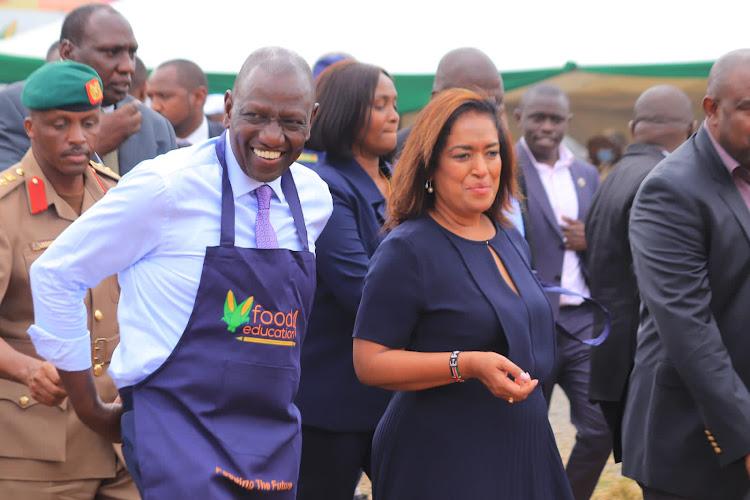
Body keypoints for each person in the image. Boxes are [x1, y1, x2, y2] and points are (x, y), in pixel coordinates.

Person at [27, 47, 333, 499]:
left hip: (271, 436)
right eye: (255, 115)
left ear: (313, 116)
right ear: (228, 108)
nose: (272, 136)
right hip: (177, 428)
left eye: (291, 122)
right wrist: (88, 405)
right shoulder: (166, 187)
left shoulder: (314, 199)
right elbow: (56, 273)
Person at [352, 88, 573, 499]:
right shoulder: (408, 249)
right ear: (430, 166)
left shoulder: (509, 237)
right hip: (442, 460)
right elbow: (369, 363)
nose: (481, 169)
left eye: (491, 153)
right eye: (462, 155)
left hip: (522, 445)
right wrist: (465, 363)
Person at [0, 61, 135, 499]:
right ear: (30, 127)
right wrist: (26, 369)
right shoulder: (6, 209)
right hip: (36, 444)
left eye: (89, 123)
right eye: (61, 124)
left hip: (120, 439)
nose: (78, 137)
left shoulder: (119, 198)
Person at [622, 49, 750, 500]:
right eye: (749, 108)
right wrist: (745, 434)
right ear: (711, 110)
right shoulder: (669, 190)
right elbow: (688, 328)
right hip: (692, 439)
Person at [295, 61, 398, 500]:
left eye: (394, 104)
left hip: (392, 396)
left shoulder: (399, 180)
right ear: (347, 111)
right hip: (334, 399)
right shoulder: (327, 186)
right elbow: (360, 287)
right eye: (380, 105)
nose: (394, 114)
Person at [586, 85, 695, 461]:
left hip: (610, 352)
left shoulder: (613, 176)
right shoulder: (665, 180)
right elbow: (663, 288)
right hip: (646, 364)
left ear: (633, 127)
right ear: (693, 129)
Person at [514, 83, 609, 500]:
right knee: (523, 433)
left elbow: (606, 239)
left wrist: (593, 239)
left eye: (555, 119)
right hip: (529, 319)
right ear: (520, 117)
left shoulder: (586, 174)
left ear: (567, 122)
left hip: (582, 321)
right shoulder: (502, 166)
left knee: (601, 429)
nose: (547, 127)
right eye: (538, 117)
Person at [0, 3, 175, 173]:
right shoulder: (16, 106)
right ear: (67, 53)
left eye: (131, 53)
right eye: (111, 52)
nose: (127, 66)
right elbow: (10, 193)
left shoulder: (156, 127)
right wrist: (92, 144)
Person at [147, 59, 224, 146]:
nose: (154, 106)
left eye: (164, 96)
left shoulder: (228, 141)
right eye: (150, 97)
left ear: (199, 97)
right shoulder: (142, 142)